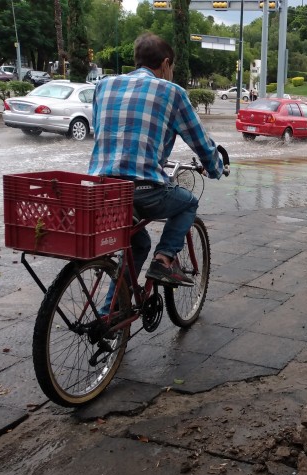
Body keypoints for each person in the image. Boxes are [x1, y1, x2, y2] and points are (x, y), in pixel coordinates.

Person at [89, 32, 224, 287]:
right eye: (170, 67)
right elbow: (200, 141)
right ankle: (163, 261)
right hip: (142, 190)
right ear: (165, 64)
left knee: (138, 244)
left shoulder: (103, 85)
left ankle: (115, 314)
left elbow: (103, 132)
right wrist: (216, 167)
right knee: (187, 203)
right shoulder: (171, 91)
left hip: (102, 188)